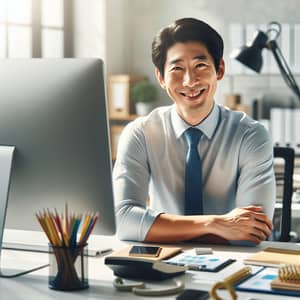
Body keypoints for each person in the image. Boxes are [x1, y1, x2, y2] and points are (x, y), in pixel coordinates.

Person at [113, 18, 275, 245]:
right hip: (164, 262)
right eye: (177, 69)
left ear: (219, 70)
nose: (189, 81)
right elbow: (123, 221)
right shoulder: (140, 133)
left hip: (234, 264)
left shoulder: (251, 135)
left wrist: (156, 228)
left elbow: (253, 231)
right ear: (161, 78)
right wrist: (217, 224)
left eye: (200, 66)